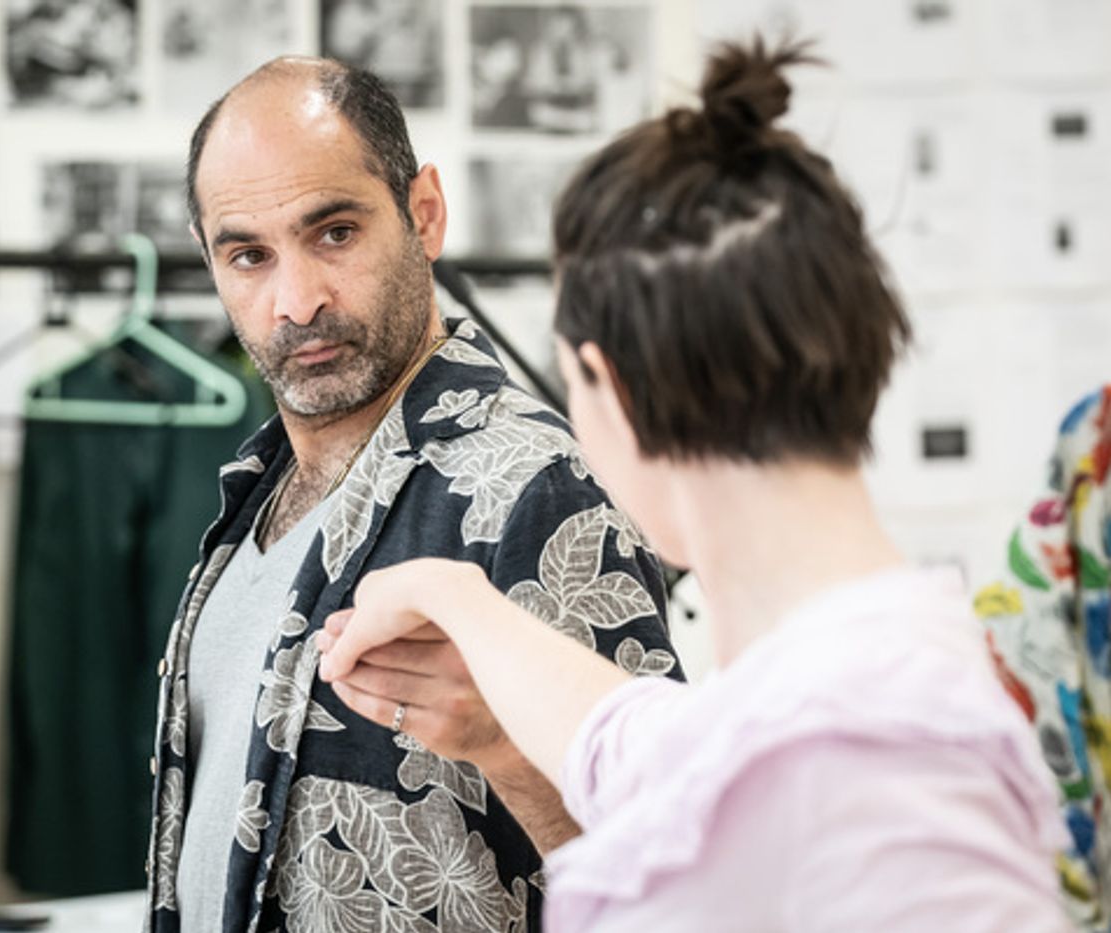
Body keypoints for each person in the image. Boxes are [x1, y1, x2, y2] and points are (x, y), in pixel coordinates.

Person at [319, 38, 1072, 931]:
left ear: (610, 388)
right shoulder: (862, 675)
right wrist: (462, 601)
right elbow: (638, 742)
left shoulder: (865, 761)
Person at [141, 57, 679, 932]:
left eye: (335, 232)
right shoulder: (254, 495)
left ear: (423, 213)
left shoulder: (536, 491)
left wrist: (506, 751)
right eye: (249, 256)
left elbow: (678, 876)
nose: (296, 301)